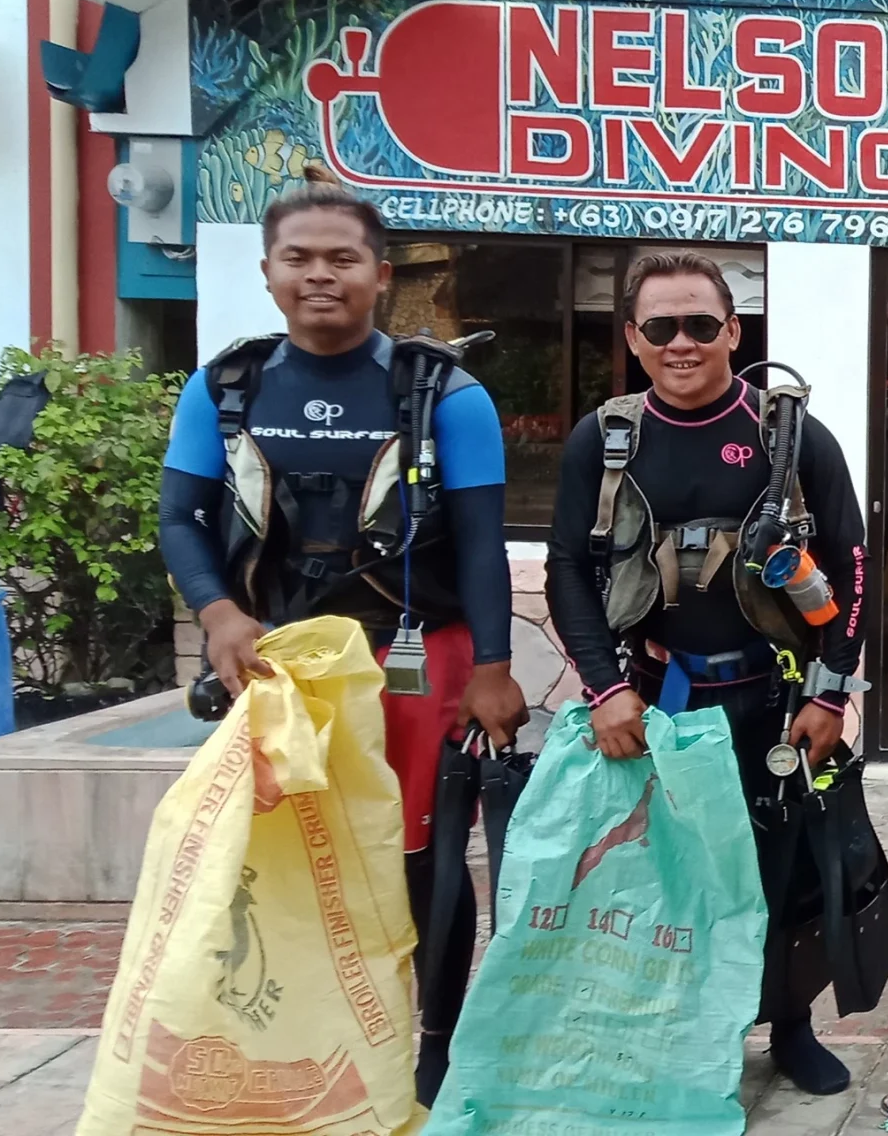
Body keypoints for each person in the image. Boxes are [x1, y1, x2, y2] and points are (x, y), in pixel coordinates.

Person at [156, 184, 527, 1102]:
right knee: (281, 858)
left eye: (342, 259)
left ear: (380, 275)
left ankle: (434, 1046)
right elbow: (179, 518)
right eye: (300, 258)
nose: (321, 275)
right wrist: (218, 614)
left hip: (416, 660)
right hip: (276, 666)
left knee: (424, 861)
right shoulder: (228, 386)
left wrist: (491, 666)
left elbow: (483, 543)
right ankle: (298, 1035)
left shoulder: (445, 393)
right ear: (269, 272)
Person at [543, 250, 872, 1096]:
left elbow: (854, 560)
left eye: (701, 325)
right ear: (634, 339)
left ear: (734, 331)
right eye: (661, 328)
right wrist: (605, 689)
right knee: (669, 880)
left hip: (774, 699)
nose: (682, 343)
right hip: (656, 704)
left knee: (786, 873)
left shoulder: (786, 435)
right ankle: (690, 1035)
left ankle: (789, 1028)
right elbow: (567, 572)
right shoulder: (605, 439)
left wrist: (833, 688)